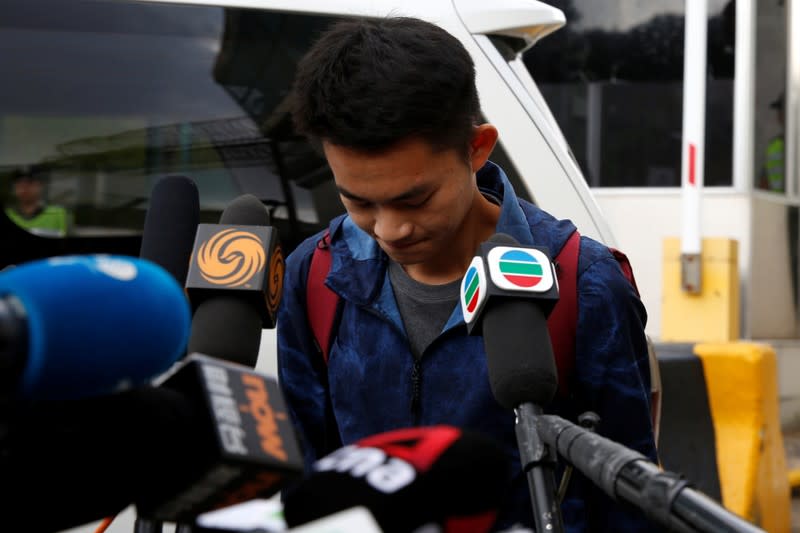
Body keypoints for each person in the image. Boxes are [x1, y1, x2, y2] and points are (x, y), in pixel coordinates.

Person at [277, 16, 658, 531]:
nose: (390, 229)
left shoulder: (583, 282)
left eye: (414, 198)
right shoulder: (315, 274)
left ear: (477, 148)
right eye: (358, 201)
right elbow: (303, 474)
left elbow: (627, 503)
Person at [4, 165, 69, 237]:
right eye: (19, 184)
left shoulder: (59, 214)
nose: (24, 188)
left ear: (40, 186)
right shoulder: (9, 214)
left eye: (29, 183)